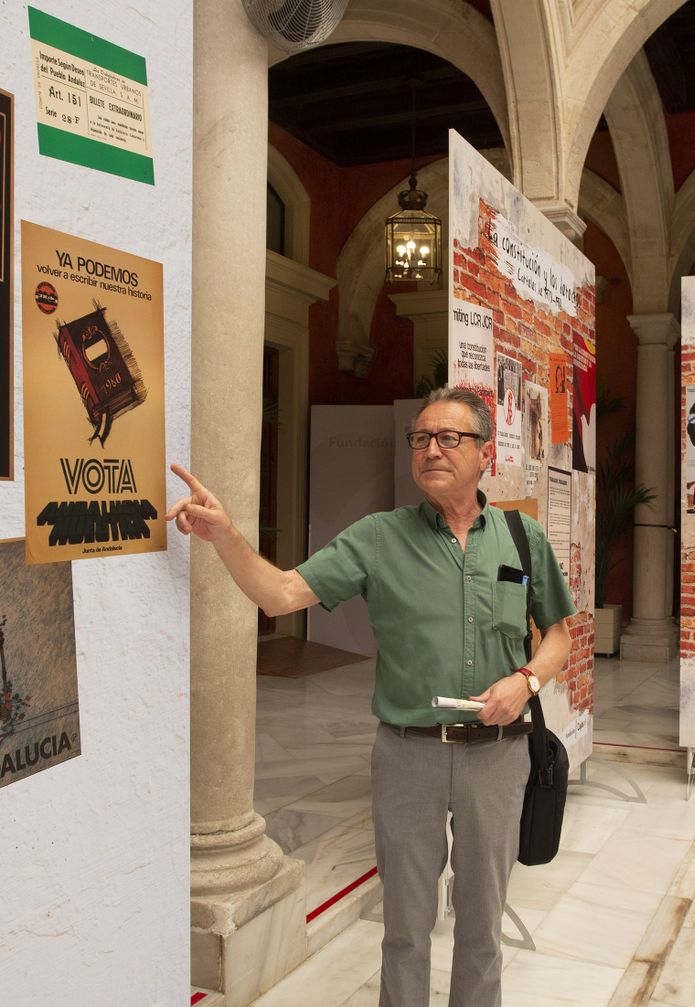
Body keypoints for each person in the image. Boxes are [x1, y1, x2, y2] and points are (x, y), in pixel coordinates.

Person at [168, 386, 575, 1007]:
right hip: (409, 755)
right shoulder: (379, 537)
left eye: (449, 438)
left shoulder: (522, 538)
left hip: (498, 756)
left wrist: (526, 682)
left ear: (486, 454)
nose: (431, 449)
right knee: (406, 928)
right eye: (420, 438)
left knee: (482, 926)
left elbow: (558, 634)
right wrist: (225, 536)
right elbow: (280, 595)